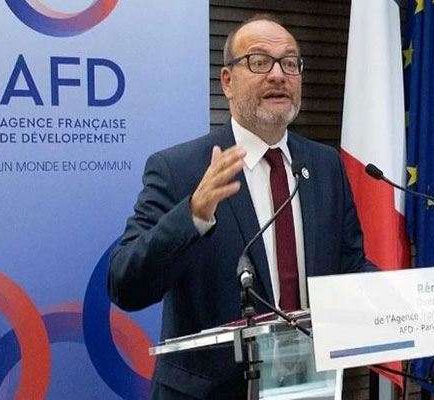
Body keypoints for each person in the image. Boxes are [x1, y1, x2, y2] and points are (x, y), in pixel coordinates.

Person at [108, 14, 375, 400]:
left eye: (289, 63)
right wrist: (193, 215)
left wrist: (408, 301)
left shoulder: (324, 165)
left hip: (310, 387)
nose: (278, 75)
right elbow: (125, 285)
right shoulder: (180, 169)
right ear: (227, 82)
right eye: (259, 61)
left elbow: (349, 266)